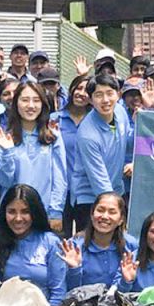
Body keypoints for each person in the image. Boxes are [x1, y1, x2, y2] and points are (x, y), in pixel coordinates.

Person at [0, 82, 67, 231]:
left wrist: (56, 212)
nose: (31, 105)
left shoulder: (52, 137)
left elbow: (60, 178)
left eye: (36, 100)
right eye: (25, 100)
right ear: (16, 104)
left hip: (43, 212)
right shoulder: (5, 137)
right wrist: (7, 152)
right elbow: (4, 181)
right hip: (13, 215)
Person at [70, 74, 134, 230]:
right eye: (98, 95)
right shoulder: (87, 134)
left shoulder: (119, 111)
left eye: (110, 93)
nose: (105, 100)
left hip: (115, 192)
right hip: (90, 200)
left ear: (118, 94)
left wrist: (142, 124)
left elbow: (128, 140)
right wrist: (114, 210)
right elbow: (99, 179)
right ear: (90, 100)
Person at [0, 185, 69, 304]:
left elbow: (58, 292)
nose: (18, 218)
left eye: (25, 212)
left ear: (35, 213)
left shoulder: (50, 242)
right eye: (12, 212)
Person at [64, 192, 136, 289]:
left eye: (112, 212)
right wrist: (74, 270)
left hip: (117, 302)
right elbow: (66, 290)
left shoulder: (131, 245)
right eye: (100, 210)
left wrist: (126, 281)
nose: (105, 216)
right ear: (92, 214)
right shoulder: (73, 246)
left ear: (121, 220)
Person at [55, 73, 92, 231]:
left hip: (88, 190)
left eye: (87, 91)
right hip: (62, 191)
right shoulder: (55, 119)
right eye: (78, 88)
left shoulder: (97, 121)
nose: (82, 94)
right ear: (71, 90)